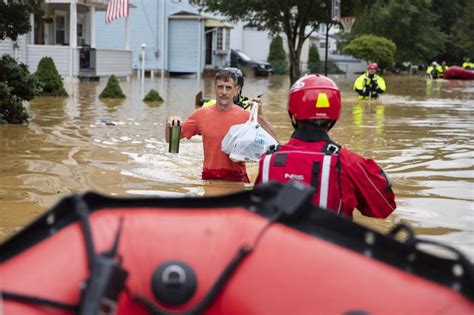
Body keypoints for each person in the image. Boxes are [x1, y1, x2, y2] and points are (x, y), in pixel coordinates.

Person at [255, 74, 396, 219]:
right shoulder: (349, 163)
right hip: (327, 239)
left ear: (292, 113)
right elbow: (384, 207)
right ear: (335, 115)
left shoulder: (268, 160)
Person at [166, 69, 278, 183]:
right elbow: (170, 139)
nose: (224, 92)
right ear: (215, 88)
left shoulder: (247, 117)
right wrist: (170, 122)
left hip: (237, 179)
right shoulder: (200, 115)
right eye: (220, 87)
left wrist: (260, 117)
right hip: (209, 178)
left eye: (228, 88)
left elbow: (275, 144)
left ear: (236, 90)